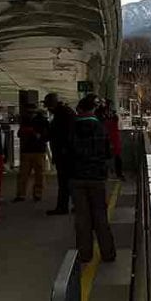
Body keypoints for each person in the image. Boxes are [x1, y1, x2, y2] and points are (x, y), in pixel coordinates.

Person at [69, 94, 117, 263]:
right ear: (93, 109)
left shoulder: (72, 128)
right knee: (100, 215)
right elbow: (108, 152)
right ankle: (108, 253)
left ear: (80, 109)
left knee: (82, 217)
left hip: (76, 177)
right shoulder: (100, 128)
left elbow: (66, 151)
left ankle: (84, 254)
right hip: (97, 177)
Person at [43, 93, 75, 216]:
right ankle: (72, 205)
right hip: (66, 154)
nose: (48, 109)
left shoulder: (62, 115)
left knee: (64, 182)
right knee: (68, 182)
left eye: (48, 106)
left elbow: (60, 135)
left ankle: (63, 207)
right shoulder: (66, 112)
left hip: (64, 155)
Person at [14, 104, 50, 201]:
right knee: (38, 173)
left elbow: (20, 134)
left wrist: (39, 136)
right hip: (37, 150)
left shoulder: (27, 120)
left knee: (26, 174)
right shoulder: (42, 120)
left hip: (29, 150)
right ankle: (36, 194)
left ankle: (22, 194)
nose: (30, 114)